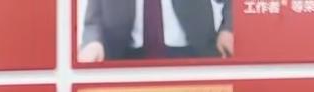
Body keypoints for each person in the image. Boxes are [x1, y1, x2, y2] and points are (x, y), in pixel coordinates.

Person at [79, 0, 233, 62]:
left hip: (193, 53)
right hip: (126, 56)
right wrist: (93, 42)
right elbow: (93, 20)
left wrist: (228, 28)